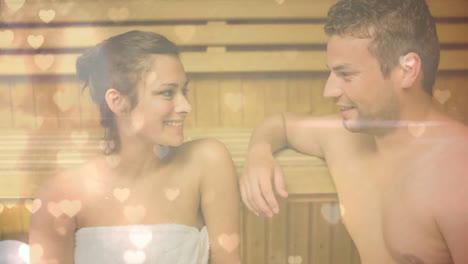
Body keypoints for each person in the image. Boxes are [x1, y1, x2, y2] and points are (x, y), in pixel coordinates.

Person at [240, 0, 468, 263]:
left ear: (406, 71)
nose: (329, 91)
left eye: (346, 75)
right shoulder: (343, 139)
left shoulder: (457, 176)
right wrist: (259, 153)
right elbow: (280, 124)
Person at [29, 30, 241, 264]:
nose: (185, 106)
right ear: (118, 102)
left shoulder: (206, 162)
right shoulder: (61, 194)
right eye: (167, 93)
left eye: (184, 91)